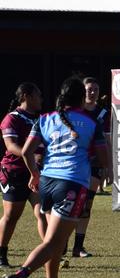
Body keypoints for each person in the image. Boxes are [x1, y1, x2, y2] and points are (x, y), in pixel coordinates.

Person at [5, 77, 108, 278]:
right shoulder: (91, 122)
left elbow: (27, 152)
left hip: (47, 182)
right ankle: (22, 273)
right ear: (81, 97)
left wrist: (35, 174)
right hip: (72, 184)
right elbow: (103, 159)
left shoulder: (44, 119)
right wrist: (97, 163)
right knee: (53, 243)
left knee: (56, 242)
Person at [0, 83, 47, 268]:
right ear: (27, 96)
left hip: (35, 173)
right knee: (11, 216)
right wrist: (31, 156)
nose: (41, 99)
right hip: (14, 173)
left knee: (42, 212)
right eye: (38, 95)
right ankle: (2, 254)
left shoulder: (41, 119)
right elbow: (11, 146)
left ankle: (51, 252)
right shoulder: (12, 118)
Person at [65, 77, 112, 261]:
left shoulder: (103, 113)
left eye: (95, 89)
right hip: (75, 162)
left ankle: (78, 246)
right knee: (69, 204)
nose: (92, 92)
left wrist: (110, 167)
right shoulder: (74, 111)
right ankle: (62, 245)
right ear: (82, 91)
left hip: (95, 163)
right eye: (89, 89)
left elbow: (107, 141)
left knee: (86, 205)